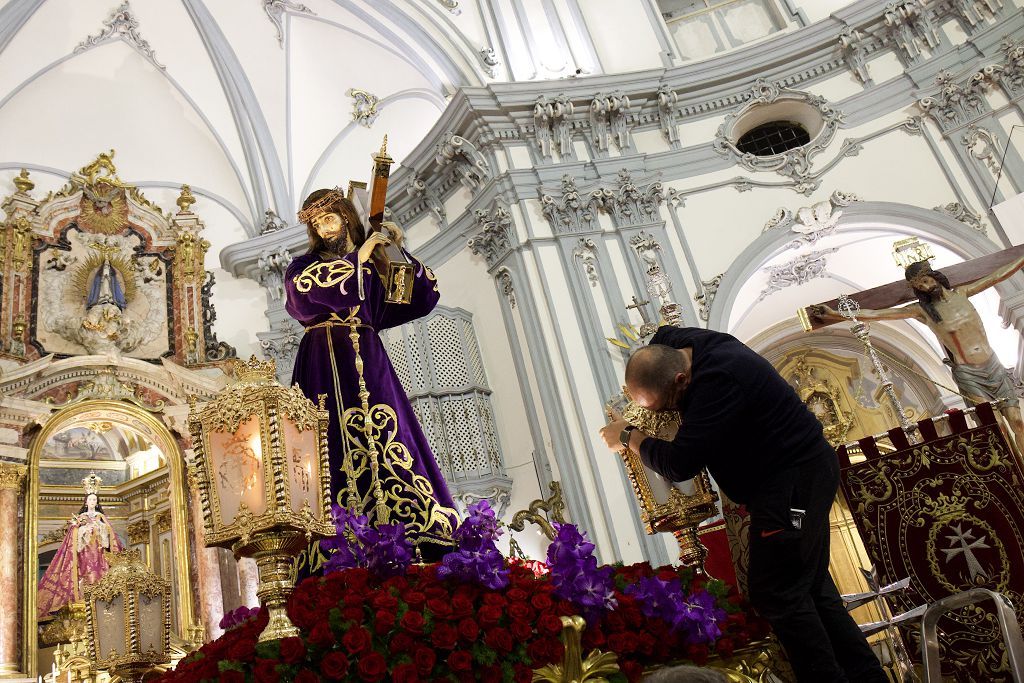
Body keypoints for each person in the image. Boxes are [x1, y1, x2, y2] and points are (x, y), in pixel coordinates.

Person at [599, 325, 886, 683]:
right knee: (810, 586)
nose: (669, 415)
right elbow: (662, 332)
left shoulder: (718, 380)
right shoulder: (684, 345)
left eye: (668, 406)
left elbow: (680, 462)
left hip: (790, 489)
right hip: (799, 479)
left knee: (777, 593)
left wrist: (629, 435)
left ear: (681, 379)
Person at [285, 188, 458, 574]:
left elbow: (418, 296)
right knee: (326, 444)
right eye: (316, 224)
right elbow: (300, 299)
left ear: (347, 217)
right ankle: (333, 542)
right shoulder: (302, 265)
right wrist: (356, 258)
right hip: (322, 357)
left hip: (367, 352)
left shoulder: (371, 258)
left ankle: (411, 532)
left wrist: (394, 249)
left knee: (389, 435)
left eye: (329, 218)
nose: (324, 228)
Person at [812, 257, 1024, 451]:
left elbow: (997, 275)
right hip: (969, 374)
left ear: (934, 276)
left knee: (1017, 422)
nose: (925, 286)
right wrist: (835, 314)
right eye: (919, 285)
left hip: (993, 366)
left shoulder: (962, 293)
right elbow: (877, 314)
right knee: (996, 427)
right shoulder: (921, 311)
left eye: (925, 280)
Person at [37, 492, 124, 618]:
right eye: (90, 499)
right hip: (84, 551)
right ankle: (82, 596)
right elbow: (73, 533)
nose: (92, 502)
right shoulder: (81, 517)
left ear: (97, 502)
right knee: (84, 573)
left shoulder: (100, 517)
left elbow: (109, 533)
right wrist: (82, 528)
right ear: (86, 502)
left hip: (99, 551)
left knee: (101, 573)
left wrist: (98, 527)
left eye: (94, 499)